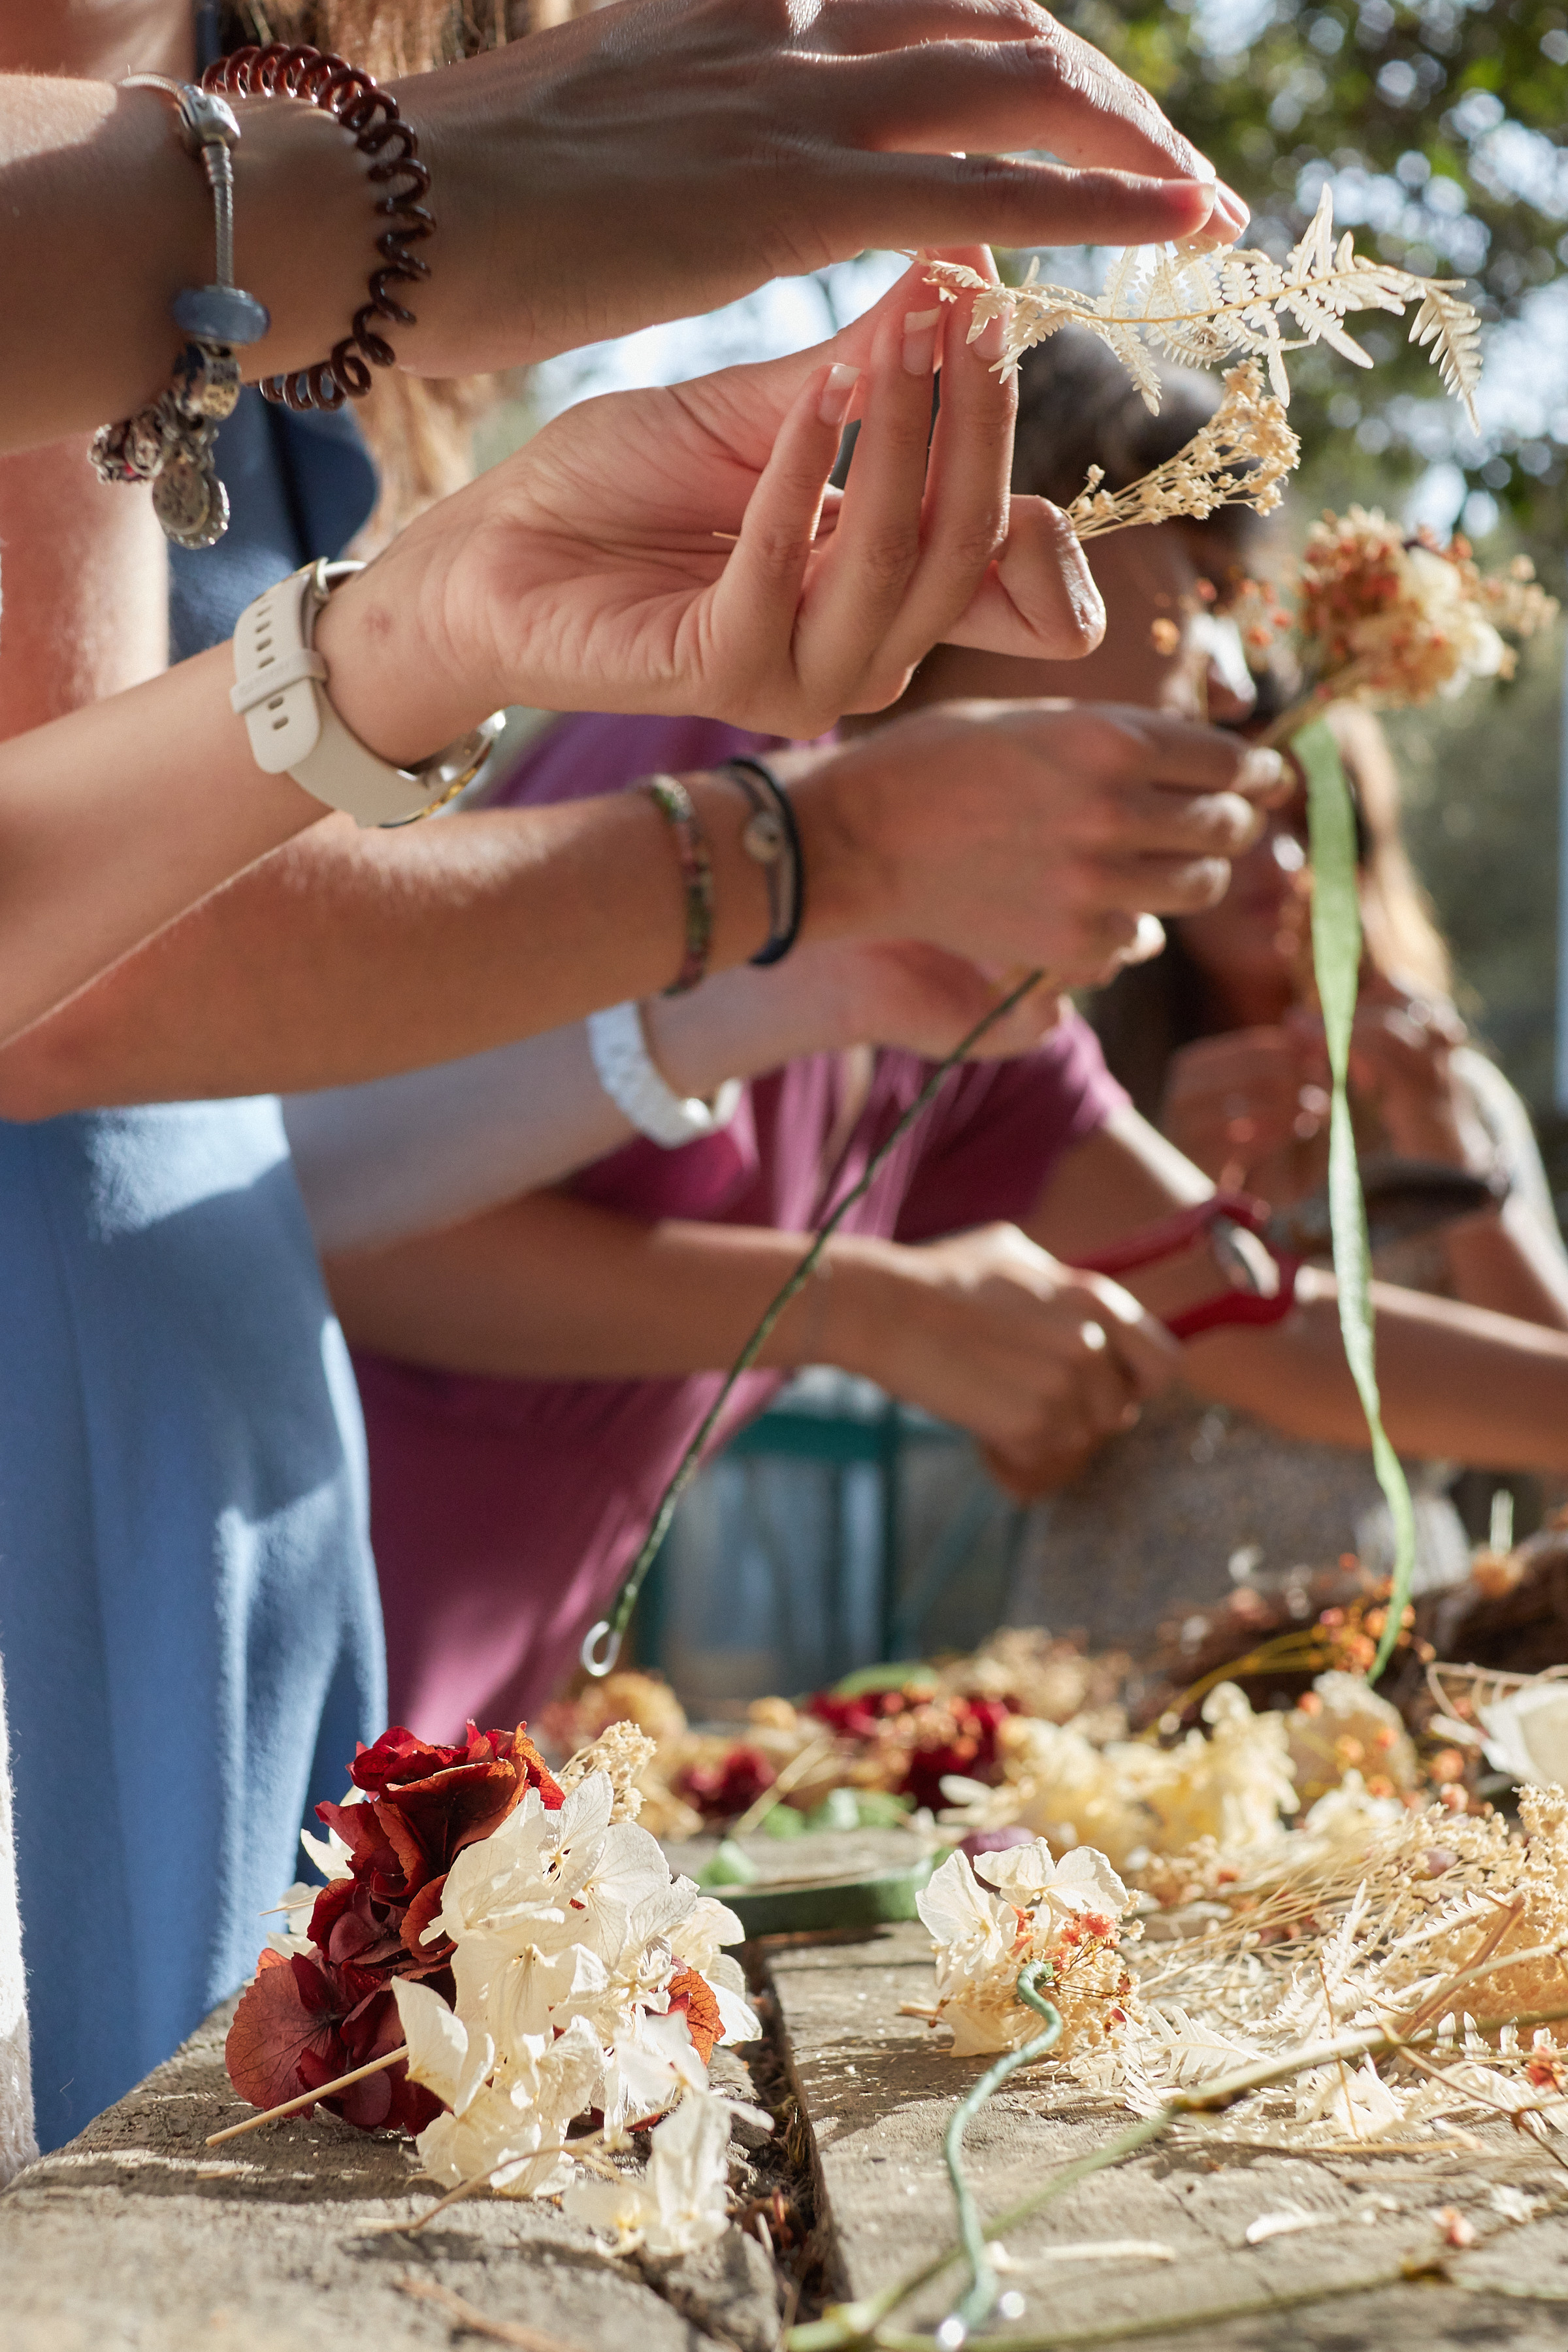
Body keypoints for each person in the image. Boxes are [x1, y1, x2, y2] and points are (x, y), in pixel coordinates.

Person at [0, 0, 1255, 2155]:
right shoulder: (699, 786)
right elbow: (98, 1007)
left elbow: (56, 873)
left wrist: (427, 624)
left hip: (236, 1515)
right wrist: (798, 880)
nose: (1225, 689)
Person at [297, 335, 1568, 1732]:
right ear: (1005, 537)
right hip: (293, 1595)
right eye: (1204, 593)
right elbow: (349, 1225)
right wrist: (868, 1308)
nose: (1226, 682)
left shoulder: (990, 997)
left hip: (469, 1709)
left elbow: (1254, 1318)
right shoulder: (702, 779)